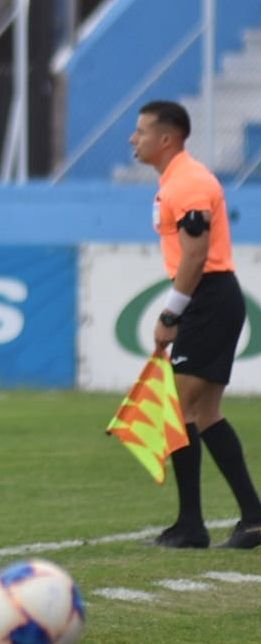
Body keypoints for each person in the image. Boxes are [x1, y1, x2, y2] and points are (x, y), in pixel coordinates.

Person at [129, 100, 261, 549]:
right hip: (213, 299)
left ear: (167, 138)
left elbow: (196, 255)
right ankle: (253, 518)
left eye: (141, 131)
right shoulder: (178, 181)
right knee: (205, 413)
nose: (134, 138)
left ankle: (190, 526)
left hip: (209, 299)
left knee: (179, 412)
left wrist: (170, 315)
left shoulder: (187, 183)